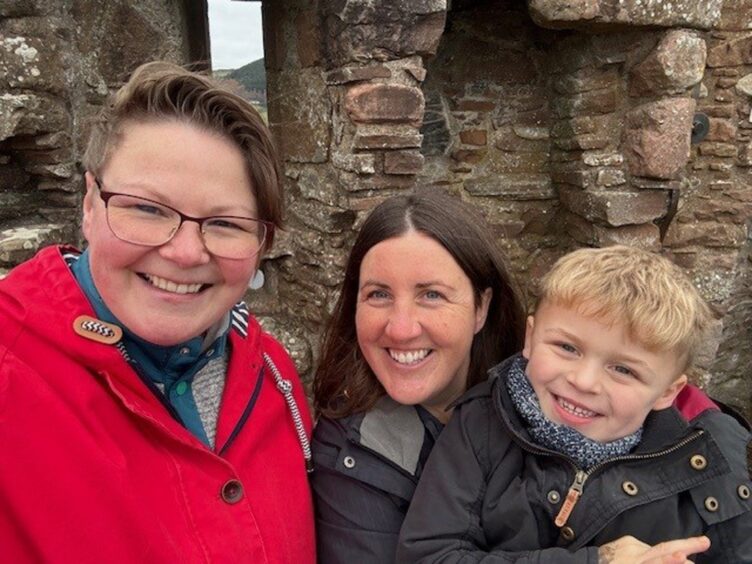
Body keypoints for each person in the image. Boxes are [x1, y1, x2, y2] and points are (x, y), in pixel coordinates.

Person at [0, 62, 315, 563]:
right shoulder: (12, 381)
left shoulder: (272, 375)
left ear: (261, 242)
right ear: (89, 204)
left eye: (226, 223)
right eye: (147, 209)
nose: (187, 253)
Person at [397, 245, 752, 563]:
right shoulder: (482, 424)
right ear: (531, 338)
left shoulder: (714, 455)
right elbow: (429, 554)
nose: (583, 381)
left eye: (623, 369)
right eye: (567, 348)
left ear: (667, 392)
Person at [311, 189, 527, 563]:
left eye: (431, 295)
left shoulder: (556, 406)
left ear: (481, 307)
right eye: (379, 294)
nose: (401, 329)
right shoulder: (349, 450)